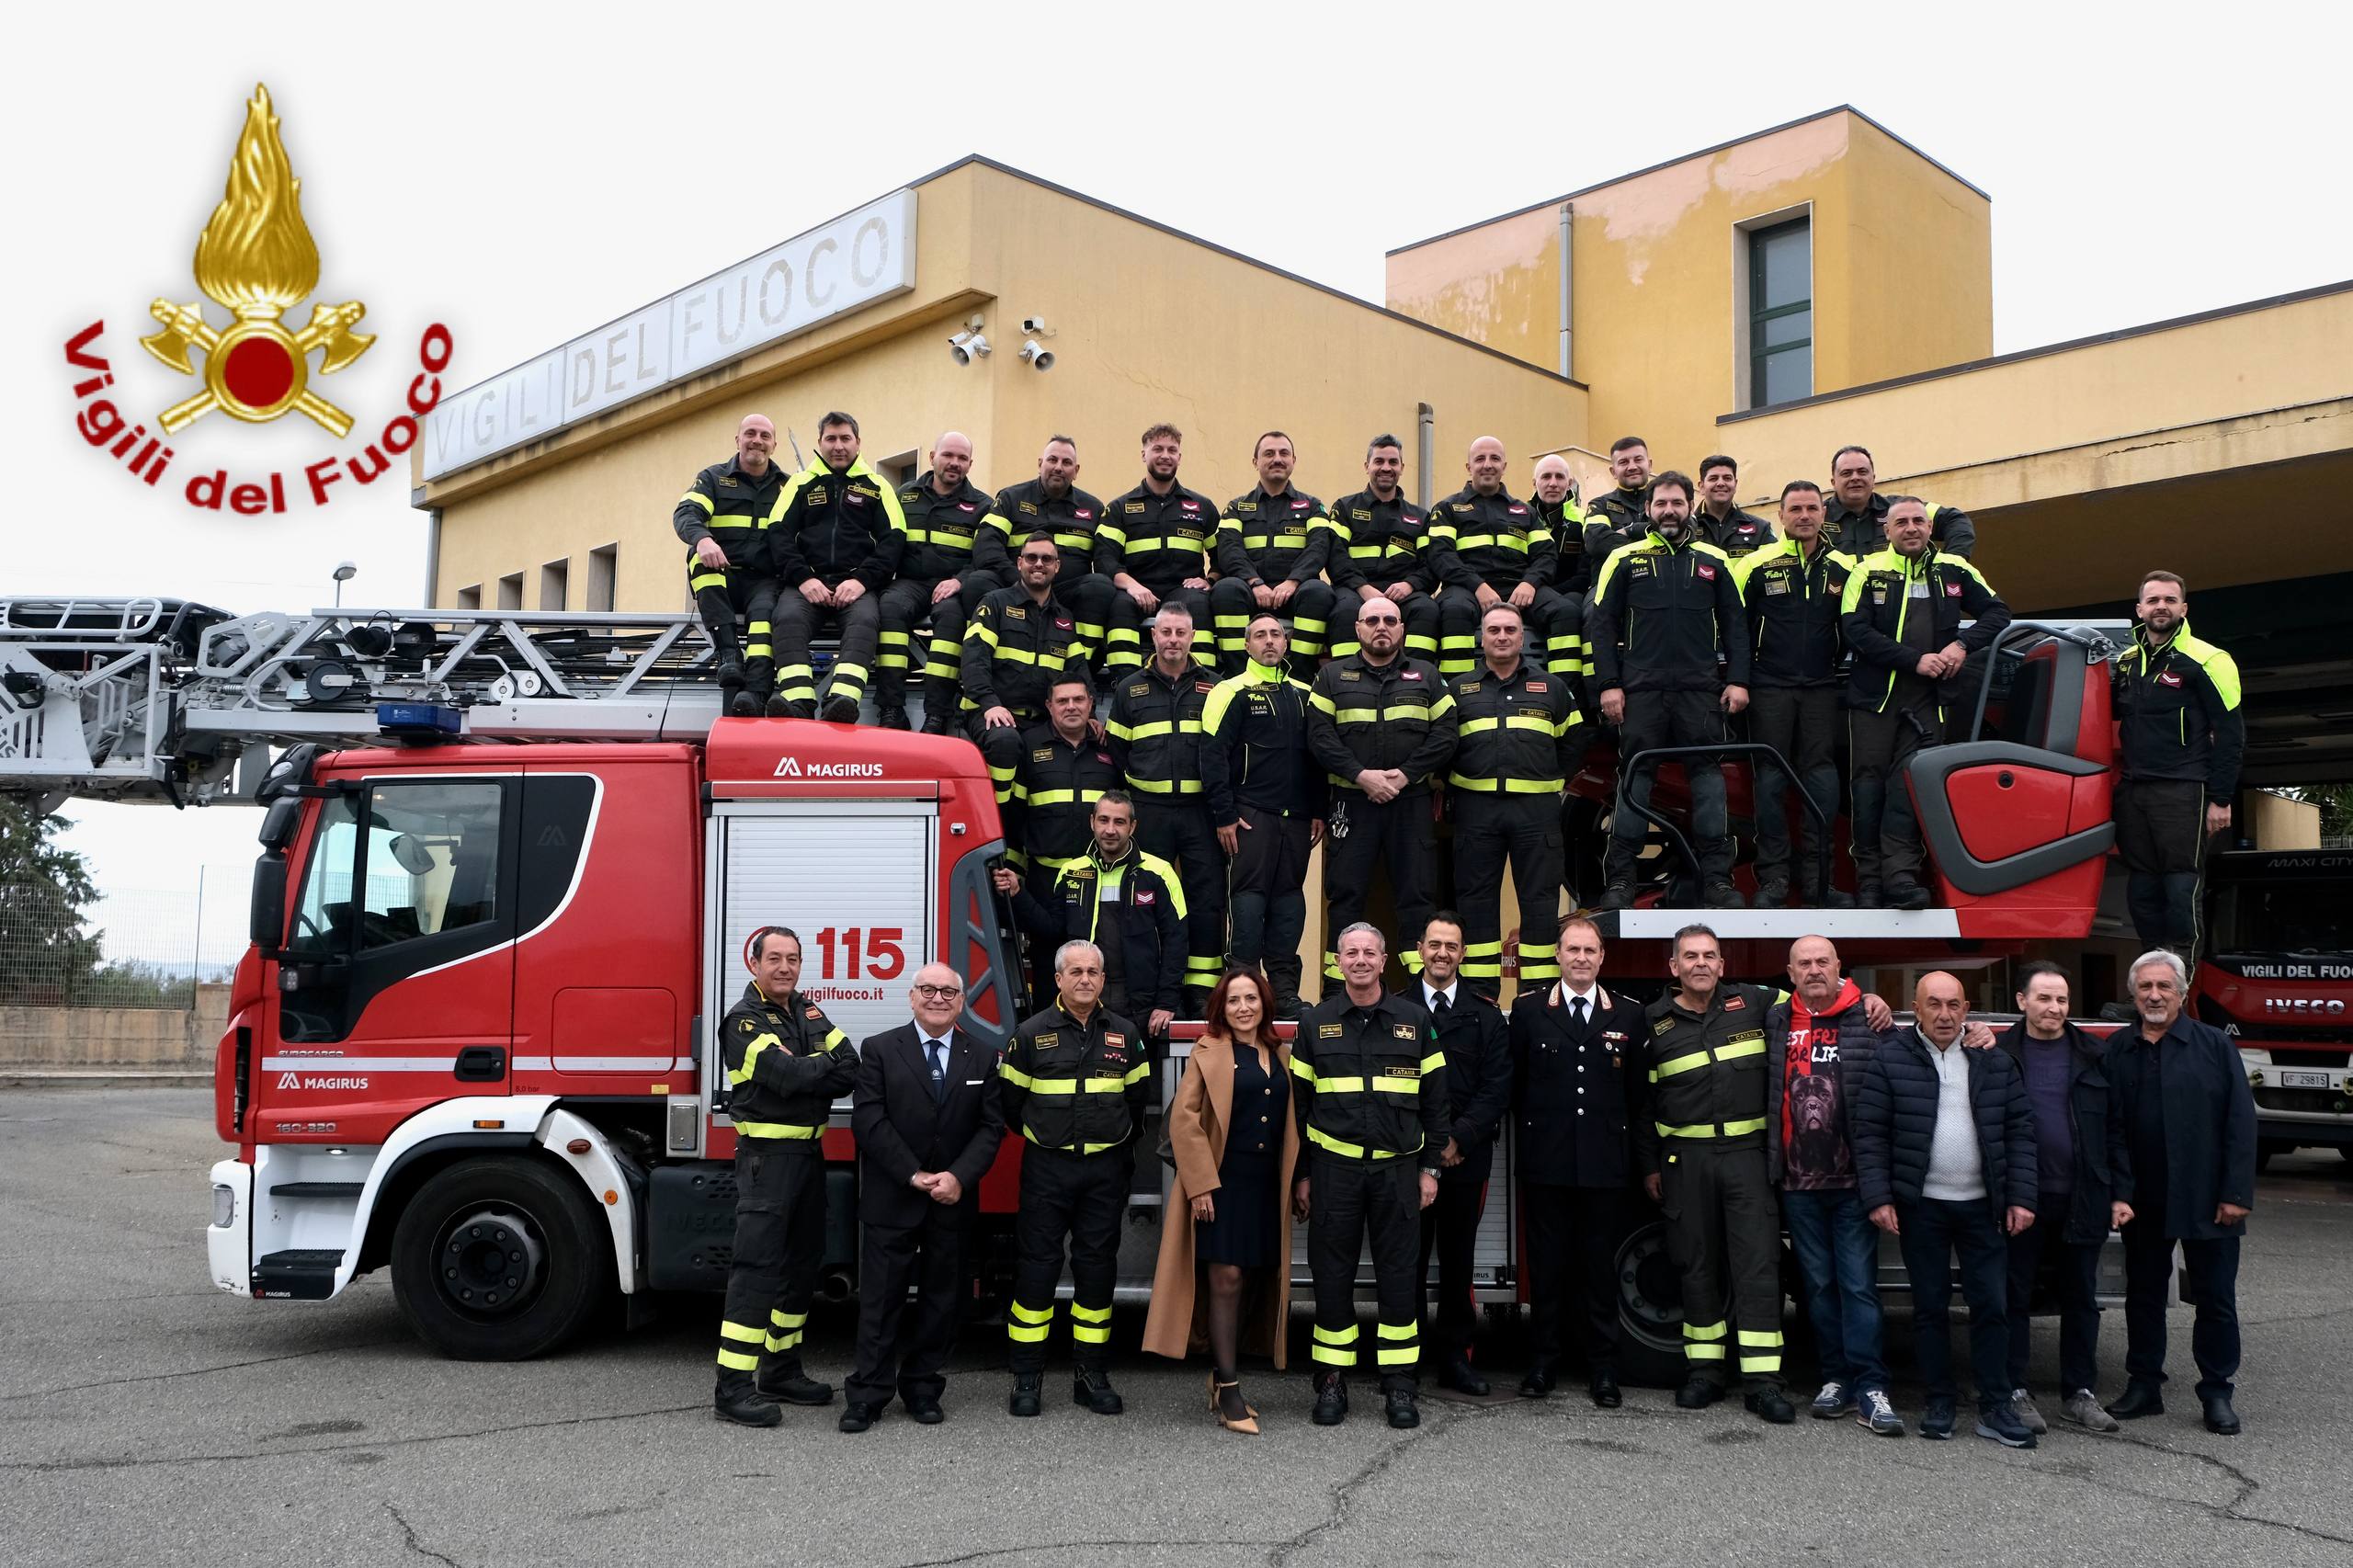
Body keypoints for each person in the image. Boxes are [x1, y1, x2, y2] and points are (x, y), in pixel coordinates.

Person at [1852, 971, 2040, 1448]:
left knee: (1991, 1306)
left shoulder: (1993, 1060)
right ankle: (1940, 1399)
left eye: (1953, 1005)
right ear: (1915, 1008)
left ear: (1967, 1007)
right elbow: (1869, 1134)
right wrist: (1879, 1197)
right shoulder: (1890, 1058)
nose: (1944, 1014)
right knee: (1930, 1308)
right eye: (1933, 1004)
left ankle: (1996, 1404)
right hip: (1923, 1207)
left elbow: (2020, 1131)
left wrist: (2020, 1196)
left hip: (1984, 1207)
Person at [1631, 924, 1793, 1423]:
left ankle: (1763, 1382)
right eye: (1690, 956)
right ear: (1673, 967)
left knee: (1757, 1268)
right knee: (1695, 1267)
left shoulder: (1760, 1002)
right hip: (1685, 1163)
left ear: (1723, 965)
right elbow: (1642, 1104)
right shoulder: (1652, 1022)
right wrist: (1649, 1166)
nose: (1701, 963)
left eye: (1710, 956)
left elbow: (1816, 999)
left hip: (1747, 1158)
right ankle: (1704, 1374)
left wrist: (1865, 1002)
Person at [1293, 923, 1447, 1430]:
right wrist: (1304, 1174)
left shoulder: (1414, 1020)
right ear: (1337, 963)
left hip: (1398, 1171)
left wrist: (1429, 1169)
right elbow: (1300, 1110)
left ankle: (1400, 1384)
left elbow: (1436, 1102)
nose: (1359, 960)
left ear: (1386, 961)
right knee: (1331, 1276)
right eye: (1350, 952)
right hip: (1334, 1172)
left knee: (1400, 1277)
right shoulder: (1315, 1026)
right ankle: (1332, 1380)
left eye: (1369, 953)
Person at [840, 964, 1006, 1432]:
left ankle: (922, 1388)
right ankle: (868, 1395)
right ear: (912, 997)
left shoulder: (983, 1055)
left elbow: (991, 1128)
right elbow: (868, 1121)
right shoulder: (878, 1049)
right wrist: (913, 1174)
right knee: (880, 1299)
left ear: (961, 1001)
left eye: (949, 991)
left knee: (942, 1299)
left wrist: (958, 1176)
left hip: (952, 1198)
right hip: (894, 1195)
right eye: (928, 990)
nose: (938, 998)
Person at [2104, 948, 2256, 1435]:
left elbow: (2240, 1123)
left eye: (2163, 986)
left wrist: (2236, 1193)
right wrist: (2117, 1192)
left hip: (2209, 1198)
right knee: (2144, 1296)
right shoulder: (2118, 1049)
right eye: (2144, 987)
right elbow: (2110, 1128)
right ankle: (2144, 1385)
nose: (2153, 995)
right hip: (2141, 1200)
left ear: (2181, 992)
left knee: (2215, 1299)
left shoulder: (2214, 1046)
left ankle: (2217, 1392)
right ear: (2133, 994)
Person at [996, 940, 1153, 1417]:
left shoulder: (1126, 1034)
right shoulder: (1028, 1034)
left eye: (1093, 972)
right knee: (1038, 1270)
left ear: (1104, 980)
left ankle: (1091, 1374)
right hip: (1048, 1167)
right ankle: (1027, 1376)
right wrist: (1047, 1135)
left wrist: (1113, 1147)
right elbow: (1009, 1104)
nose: (1085, 979)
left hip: (1104, 1169)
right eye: (1075, 971)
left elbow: (1137, 1102)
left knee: (1096, 1270)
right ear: (1058, 979)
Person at [1142, 966, 1301, 1435]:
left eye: (1251, 998)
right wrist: (1200, 1185)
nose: (1243, 1007)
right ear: (1221, 1008)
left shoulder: (1281, 1053)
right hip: (1220, 1184)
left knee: (1251, 1277)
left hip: (1265, 1186)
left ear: (1264, 1003)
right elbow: (1184, 1122)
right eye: (1233, 1000)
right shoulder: (1208, 1051)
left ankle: (1221, 1374)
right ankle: (1229, 1388)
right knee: (1225, 1278)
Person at [712, 926, 858, 1426]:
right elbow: (786, 1075)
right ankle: (732, 1387)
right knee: (756, 1272)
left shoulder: (807, 1010)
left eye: (793, 959)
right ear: (753, 963)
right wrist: (815, 1068)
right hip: (766, 1161)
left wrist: (806, 1068)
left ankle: (780, 1369)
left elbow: (851, 1066)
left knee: (802, 1266)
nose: (785, 967)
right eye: (774, 958)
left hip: (808, 1157)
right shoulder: (743, 1021)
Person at [1586, 472, 1750, 910]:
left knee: (1708, 781)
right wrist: (1609, 685)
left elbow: (1737, 625)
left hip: (1700, 690)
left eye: (1677, 503)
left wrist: (1738, 679)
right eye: (1661, 504)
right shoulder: (1623, 558)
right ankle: (1620, 881)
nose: (1669, 511)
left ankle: (1717, 880)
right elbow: (1601, 628)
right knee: (1636, 779)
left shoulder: (1714, 560)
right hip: (1641, 690)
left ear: (1689, 506)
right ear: (1648, 509)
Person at [1840, 497, 2012, 909]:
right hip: (1874, 702)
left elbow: (1997, 613)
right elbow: (1854, 631)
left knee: (1909, 790)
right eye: (1902, 522)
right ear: (1888, 530)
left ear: (1930, 527)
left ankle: (1901, 879)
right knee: (1867, 790)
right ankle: (1868, 884)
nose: (1911, 527)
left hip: (1928, 704)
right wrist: (1913, 659)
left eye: (1919, 520)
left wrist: (1960, 645)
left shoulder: (1954, 569)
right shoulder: (1865, 570)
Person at [1766, 936, 1904, 1436]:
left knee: (1858, 1286)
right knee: (1818, 1288)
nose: (1814, 969)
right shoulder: (1778, 1020)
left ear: (1839, 967)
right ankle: (1835, 1379)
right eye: (1804, 963)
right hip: (1798, 1183)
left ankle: (1871, 1384)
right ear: (1790, 972)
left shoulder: (1868, 1018)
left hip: (1852, 1183)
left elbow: (1902, 1076)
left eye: (1823, 961)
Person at [1508, 917, 1643, 1405]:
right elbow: (1517, 1086)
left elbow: (1636, 1095)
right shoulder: (1528, 1012)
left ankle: (1603, 1367)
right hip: (1547, 1162)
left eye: (1590, 950)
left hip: (1606, 1165)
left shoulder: (1629, 1014)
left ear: (1602, 957)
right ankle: (1543, 1362)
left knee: (1599, 1269)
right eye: (1573, 950)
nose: (1581, 958)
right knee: (1547, 1267)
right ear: (1558, 956)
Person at [1995, 960, 2131, 1437]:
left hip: (2083, 1196)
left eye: (2061, 999)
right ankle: (2015, 1390)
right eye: (2044, 998)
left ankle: (2080, 1394)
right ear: (2022, 1001)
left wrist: (2120, 1192)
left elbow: (2115, 1132)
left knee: (2081, 1299)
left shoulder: (2094, 1056)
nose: (2054, 1007)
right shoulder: (2000, 1053)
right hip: (2020, 1200)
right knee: (2012, 1296)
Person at [1306, 595, 1457, 984]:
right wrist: (1362, 775)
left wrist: (1406, 774)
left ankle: (1418, 994)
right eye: (1372, 620)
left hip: (1410, 802)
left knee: (1417, 896)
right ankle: (1336, 990)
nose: (1381, 627)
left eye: (1390, 620)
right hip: (1351, 803)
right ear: (1357, 629)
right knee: (1345, 897)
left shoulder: (1427, 675)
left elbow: (1446, 735)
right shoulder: (1331, 677)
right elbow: (1319, 737)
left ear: (1402, 629)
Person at [1730, 481, 1858, 908]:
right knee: (1769, 784)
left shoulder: (1845, 568)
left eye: (1812, 509)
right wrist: (1741, 681)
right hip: (1769, 689)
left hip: (1822, 688)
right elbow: (1735, 631)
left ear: (1824, 515)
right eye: (1795, 509)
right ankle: (1773, 882)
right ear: (1780, 516)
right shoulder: (1756, 563)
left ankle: (1821, 881)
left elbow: (1860, 629)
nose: (1804, 516)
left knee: (1822, 782)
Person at [1447, 603, 1585, 988]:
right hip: (1476, 811)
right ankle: (1479, 994)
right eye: (1494, 630)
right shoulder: (1459, 690)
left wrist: (1549, 780)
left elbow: (1574, 743)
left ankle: (1537, 992)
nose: (1502, 636)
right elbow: (1443, 747)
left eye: (1510, 630)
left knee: (1540, 904)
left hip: (1536, 813)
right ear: (1482, 638)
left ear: (1522, 638)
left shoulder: (1553, 688)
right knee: (1475, 903)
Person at [2113, 571, 2245, 954]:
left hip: (2183, 789)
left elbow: (2231, 733)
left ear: (2183, 608)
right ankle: (2151, 982)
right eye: (2153, 600)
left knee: (2180, 887)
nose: (2161, 607)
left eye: (2170, 600)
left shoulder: (2209, 659)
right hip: (2134, 790)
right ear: (2139, 609)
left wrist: (2221, 798)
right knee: (2141, 889)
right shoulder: (2125, 662)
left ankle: (2179, 984)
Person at [1200, 613, 1325, 1017]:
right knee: (1249, 905)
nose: (1269, 641)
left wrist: (1318, 809)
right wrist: (1224, 814)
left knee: (1290, 905)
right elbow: (1213, 754)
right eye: (1260, 635)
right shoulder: (1228, 690)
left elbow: (1318, 757)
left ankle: (1286, 996)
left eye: (1276, 634)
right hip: (1250, 816)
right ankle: (1241, 993)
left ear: (1286, 644)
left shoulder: (1306, 693)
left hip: (1298, 819)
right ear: (1246, 644)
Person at [1106, 603, 1226, 1010]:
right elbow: (1117, 749)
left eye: (1181, 632)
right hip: (1149, 810)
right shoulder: (1129, 689)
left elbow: (1224, 750)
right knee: (1147, 900)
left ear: (1193, 638)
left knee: (1207, 900)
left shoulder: (1215, 686)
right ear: (1153, 636)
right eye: (1166, 632)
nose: (1173, 639)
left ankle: (1202, 992)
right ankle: (1156, 990)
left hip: (1200, 811)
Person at [1410, 915, 1511, 1394]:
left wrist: (1458, 1138)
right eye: (1435, 944)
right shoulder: (1395, 1009)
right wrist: (1432, 1145)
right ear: (1420, 950)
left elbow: (1497, 1088)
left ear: (1463, 953)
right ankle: (1404, 1360)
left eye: (1452, 945)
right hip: (1409, 1160)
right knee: (1405, 1262)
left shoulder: (1486, 1015)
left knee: (1458, 1264)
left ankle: (1455, 1359)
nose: (1443, 953)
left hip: (1466, 1161)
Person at [996, 790, 1187, 1038]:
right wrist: (1018, 893)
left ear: (1132, 827)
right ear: (1092, 822)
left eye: (1119, 822)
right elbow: (1052, 930)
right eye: (1103, 820)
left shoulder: (1160, 873)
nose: (1110, 830)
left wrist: (1166, 1003)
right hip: (1083, 1003)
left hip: (1141, 1007)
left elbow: (1177, 941)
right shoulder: (1071, 872)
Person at [765, 411, 908, 722]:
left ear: (858, 443)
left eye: (845, 438)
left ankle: (841, 703)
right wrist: (803, 579)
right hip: (806, 585)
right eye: (831, 438)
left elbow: (894, 541)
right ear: (819, 442)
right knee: (787, 619)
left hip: (857, 587)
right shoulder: (800, 484)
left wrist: (861, 581)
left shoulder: (878, 486)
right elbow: (777, 533)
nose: (838, 446)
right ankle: (799, 703)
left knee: (865, 624)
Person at [1427, 436, 1575, 682]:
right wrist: (1478, 586)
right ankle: (1457, 696)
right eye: (1480, 459)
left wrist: (1530, 583)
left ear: (1504, 466)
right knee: (1454, 611)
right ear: (1468, 467)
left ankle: (1566, 697)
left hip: (1520, 587)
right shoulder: (1447, 509)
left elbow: (1546, 555)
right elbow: (1441, 556)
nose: (1488, 464)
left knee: (1566, 612)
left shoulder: (1525, 512)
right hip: (1466, 588)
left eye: (1495, 458)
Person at [675, 414, 789, 716]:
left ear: (774, 445)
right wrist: (703, 540)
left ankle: (756, 688)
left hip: (764, 580)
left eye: (765, 436)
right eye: (750, 433)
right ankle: (727, 655)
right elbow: (686, 512)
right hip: (722, 574)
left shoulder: (788, 487)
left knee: (765, 617)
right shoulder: (712, 478)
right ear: (737, 440)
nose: (757, 441)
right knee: (698, 561)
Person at [885, 431, 998, 733]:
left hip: (951, 586)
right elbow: (887, 543)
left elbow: (986, 557)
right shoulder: (905, 495)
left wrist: (960, 581)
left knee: (951, 621)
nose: (954, 463)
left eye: (962, 458)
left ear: (970, 464)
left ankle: (937, 714)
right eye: (948, 455)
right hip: (908, 583)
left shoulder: (983, 506)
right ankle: (892, 709)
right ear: (933, 457)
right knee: (890, 610)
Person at [961, 533, 1088, 802]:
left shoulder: (1064, 619)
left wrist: (1092, 716)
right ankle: (997, 817)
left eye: (1046, 559)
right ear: (1019, 563)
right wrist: (990, 703)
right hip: (991, 714)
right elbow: (974, 659)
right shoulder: (994, 603)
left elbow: (1077, 673)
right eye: (1031, 558)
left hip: (1039, 721)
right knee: (1005, 742)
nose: (1038, 564)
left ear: (1057, 566)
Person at [977, 435, 1116, 668]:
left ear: (1076, 470)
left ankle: (1079, 671)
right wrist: (1021, 582)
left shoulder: (1093, 508)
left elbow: (1105, 558)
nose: (1058, 468)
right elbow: (986, 547)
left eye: (1066, 463)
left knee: (1100, 586)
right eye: (1052, 460)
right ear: (1040, 463)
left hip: (1066, 593)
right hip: (1016, 588)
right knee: (978, 582)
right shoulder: (1011, 498)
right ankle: (989, 665)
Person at [1210, 431, 1336, 674]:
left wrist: (1293, 581)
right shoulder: (1236, 507)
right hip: (1250, 593)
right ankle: (1240, 675)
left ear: (1293, 460)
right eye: (1269, 453)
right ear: (1255, 462)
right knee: (1225, 589)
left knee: (1319, 592)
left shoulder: (1312, 507)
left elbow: (1318, 547)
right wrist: (1255, 583)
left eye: (1283, 453)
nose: (1277, 459)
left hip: (1296, 593)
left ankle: (1299, 675)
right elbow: (1229, 549)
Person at [1097, 423, 1219, 672]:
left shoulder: (1202, 506)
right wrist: (1132, 586)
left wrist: (1211, 579)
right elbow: (1104, 559)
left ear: (1179, 457)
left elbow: (1223, 555)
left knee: (1199, 605)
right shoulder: (1120, 507)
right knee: (1119, 607)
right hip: (1136, 589)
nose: (1165, 456)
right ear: (1144, 455)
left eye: (1172, 450)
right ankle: (1127, 686)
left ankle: (1203, 684)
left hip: (1183, 591)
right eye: (1157, 449)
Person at [1004, 676, 1120, 907]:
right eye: (1062, 700)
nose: (1071, 706)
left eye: (1078, 699)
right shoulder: (1028, 746)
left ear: (1090, 703)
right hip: (1046, 879)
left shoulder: (1109, 746)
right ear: (1049, 706)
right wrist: (1014, 868)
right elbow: (1015, 813)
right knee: (1046, 942)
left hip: (1102, 876)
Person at [1325, 433, 1441, 664]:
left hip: (1404, 593)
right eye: (1379, 461)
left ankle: (1416, 677)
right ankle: (1346, 678)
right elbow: (1335, 556)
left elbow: (1431, 564)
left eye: (1392, 462)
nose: (1386, 468)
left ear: (1402, 468)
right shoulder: (1345, 508)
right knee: (1344, 611)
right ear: (1367, 466)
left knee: (1427, 610)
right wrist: (1363, 588)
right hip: (1354, 591)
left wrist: (1410, 585)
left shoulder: (1420, 517)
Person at [1824, 444, 1976, 558]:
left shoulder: (1899, 509)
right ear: (1833, 482)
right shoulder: (1816, 516)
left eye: (1862, 472)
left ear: (1873, 479)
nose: (1855, 477)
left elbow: (1956, 520)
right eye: (1846, 473)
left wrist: (1954, 564)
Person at [1529, 453, 1592, 676]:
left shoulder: (1584, 520)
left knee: (1572, 608)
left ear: (1569, 483)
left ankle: (1568, 687)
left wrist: (1547, 594)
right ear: (1534, 483)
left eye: (1559, 477)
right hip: (1524, 595)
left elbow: (1584, 576)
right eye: (1546, 477)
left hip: (1567, 596)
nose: (1553, 483)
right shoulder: (1519, 517)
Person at [1579, 436, 1654, 562]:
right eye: (1623, 462)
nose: (1632, 467)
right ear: (1613, 472)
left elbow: (1683, 531)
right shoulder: (1600, 505)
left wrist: (1630, 531)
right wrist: (1654, 542)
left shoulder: (1665, 502)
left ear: (1650, 465)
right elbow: (1597, 543)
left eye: (1638, 459)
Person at [1692, 455, 1777, 559]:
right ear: (1701, 487)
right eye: (1713, 478)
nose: (1721, 483)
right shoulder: (1687, 528)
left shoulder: (1761, 529)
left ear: (1735, 484)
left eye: (1727, 478)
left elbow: (1772, 568)